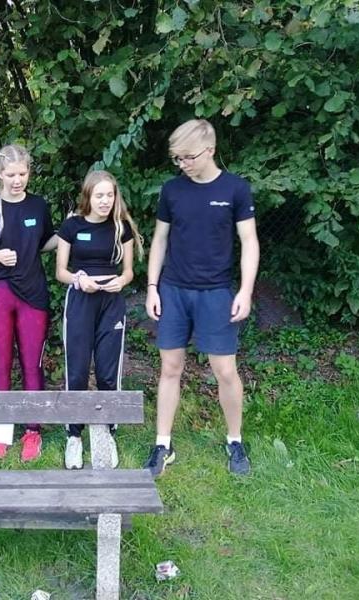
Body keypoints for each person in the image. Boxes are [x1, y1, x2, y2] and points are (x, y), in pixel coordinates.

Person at [144, 119, 259, 476]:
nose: (183, 164)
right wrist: (152, 287)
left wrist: (245, 291)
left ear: (209, 150)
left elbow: (249, 242)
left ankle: (235, 441)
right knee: (170, 368)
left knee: (225, 370)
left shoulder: (235, 189)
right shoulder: (172, 190)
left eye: (188, 157)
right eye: (177, 159)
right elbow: (160, 239)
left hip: (216, 292)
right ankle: (163, 444)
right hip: (174, 290)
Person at [0, 144, 57, 461]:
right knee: (0, 364)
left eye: (22, 174)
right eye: (11, 174)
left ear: (29, 173)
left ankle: (33, 431)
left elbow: (45, 243)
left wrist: (73, 228)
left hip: (33, 292)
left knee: (32, 363)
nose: (17, 180)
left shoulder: (38, 206)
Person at [56, 170, 144, 469]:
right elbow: (61, 272)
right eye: (99, 195)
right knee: (77, 370)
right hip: (81, 300)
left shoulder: (121, 227)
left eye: (110, 195)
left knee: (108, 371)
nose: (105, 201)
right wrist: (79, 280)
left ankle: (108, 431)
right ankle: (74, 435)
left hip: (111, 302)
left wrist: (122, 281)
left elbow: (128, 272)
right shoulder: (72, 225)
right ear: (88, 197)